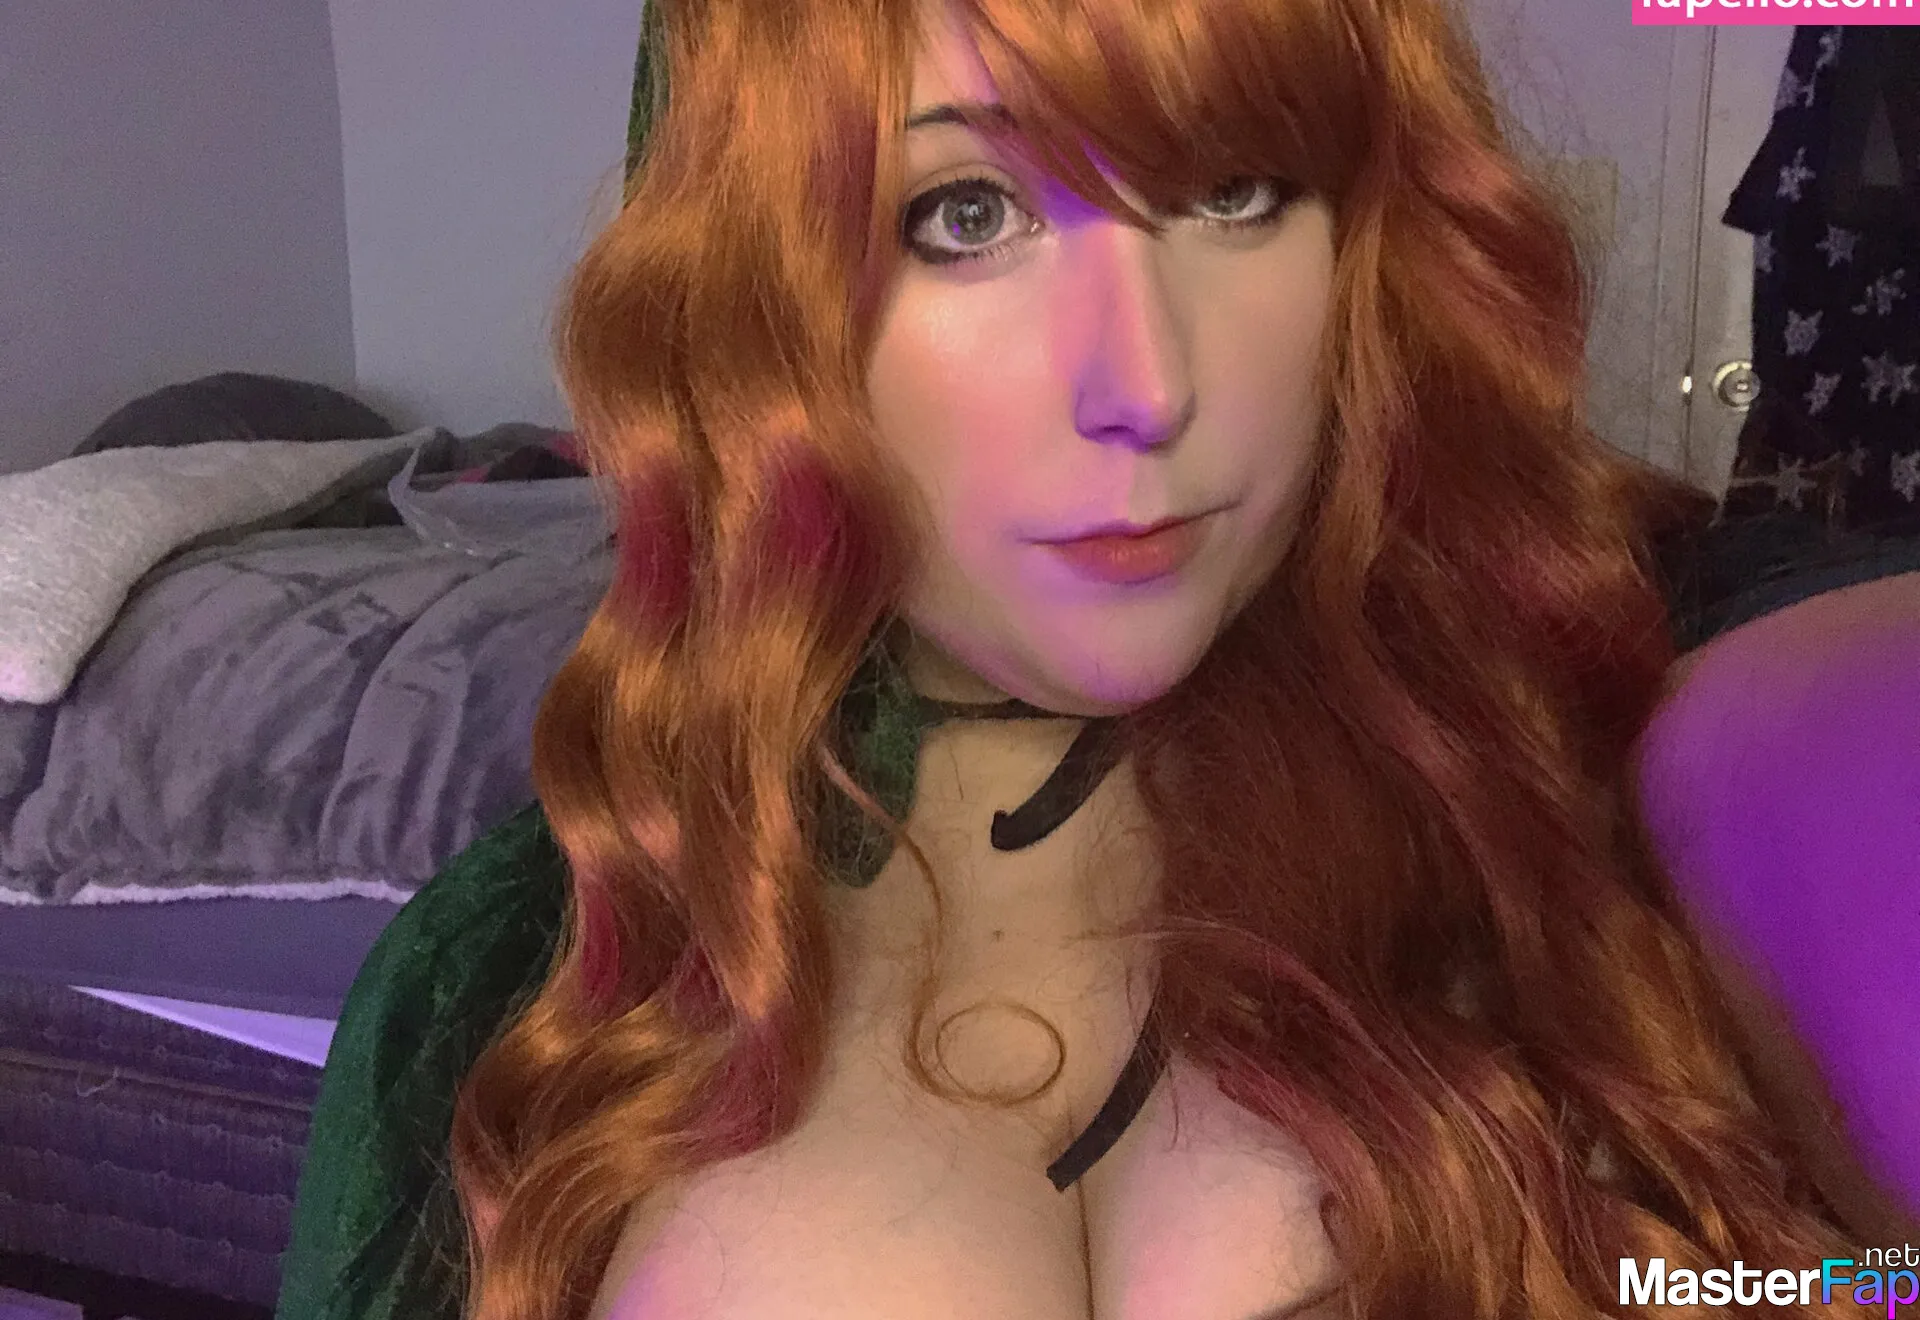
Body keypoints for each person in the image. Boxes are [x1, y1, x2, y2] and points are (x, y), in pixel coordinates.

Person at [276, 0, 1920, 1317]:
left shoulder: (1621, 694)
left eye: (1235, 190)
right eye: (964, 213)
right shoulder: (507, 977)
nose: (1145, 383)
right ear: (755, 302)